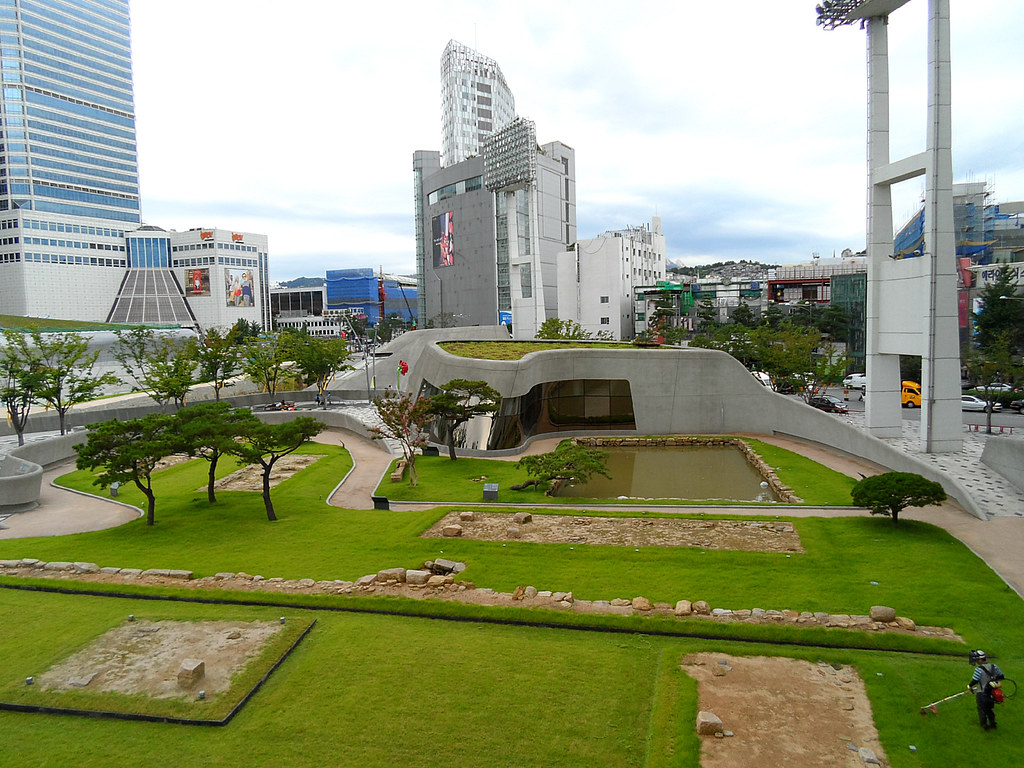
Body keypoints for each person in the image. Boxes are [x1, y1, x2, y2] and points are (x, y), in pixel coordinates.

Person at [968, 649, 1004, 730]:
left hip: (982, 693)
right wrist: (994, 681)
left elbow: (975, 680)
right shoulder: (994, 666)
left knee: (981, 709)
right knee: (989, 709)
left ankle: (984, 725)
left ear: (980, 659)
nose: (976, 661)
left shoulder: (978, 669)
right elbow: (1002, 676)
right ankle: (993, 724)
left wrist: (969, 686)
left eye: (976, 659)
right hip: (992, 694)